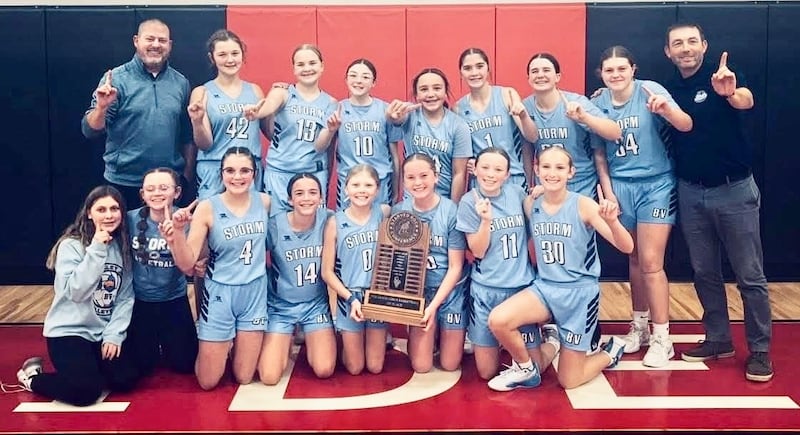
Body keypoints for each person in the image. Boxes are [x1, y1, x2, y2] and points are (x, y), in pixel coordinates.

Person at [663, 23, 773, 382]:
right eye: (678, 43)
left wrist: (730, 94)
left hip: (734, 190)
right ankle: (718, 338)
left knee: (749, 276)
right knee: (704, 272)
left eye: (692, 41)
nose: (685, 48)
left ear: (704, 45)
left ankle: (759, 350)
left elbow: (746, 99)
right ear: (668, 52)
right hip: (690, 191)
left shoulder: (725, 78)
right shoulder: (667, 89)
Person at [487, 146, 633, 391]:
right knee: (498, 320)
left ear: (571, 173)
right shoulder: (531, 205)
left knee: (569, 380)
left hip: (579, 295)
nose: (552, 173)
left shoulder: (584, 205)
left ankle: (611, 351)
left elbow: (627, 246)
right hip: (545, 289)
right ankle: (528, 367)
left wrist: (612, 221)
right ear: (536, 170)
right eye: (546, 167)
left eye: (559, 168)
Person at [591, 46, 693, 368]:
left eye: (622, 68)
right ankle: (640, 326)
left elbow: (685, 125)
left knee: (651, 262)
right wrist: (608, 194)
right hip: (621, 186)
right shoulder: (596, 103)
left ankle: (663, 336)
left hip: (656, 184)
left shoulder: (651, 91)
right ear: (602, 75)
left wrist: (665, 110)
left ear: (633, 68)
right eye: (610, 70)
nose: (616, 74)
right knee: (633, 258)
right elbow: (599, 156)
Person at [16, 186, 139, 406]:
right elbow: (76, 291)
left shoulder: (122, 246)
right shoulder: (71, 245)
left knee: (126, 380)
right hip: (69, 331)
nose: (109, 215)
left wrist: (113, 335)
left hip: (100, 332)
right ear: (89, 213)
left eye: (114, 208)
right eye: (101, 209)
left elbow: (125, 297)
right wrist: (97, 249)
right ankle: (33, 378)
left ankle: (85, 370)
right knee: (85, 393)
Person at [161, 146, 270, 390]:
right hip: (220, 292)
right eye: (230, 170)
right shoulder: (208, 207)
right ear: (221, 174)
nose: (237, 176)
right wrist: (177, 234)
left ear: (254, 174)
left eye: (244, 170)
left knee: (244, 376)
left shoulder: (264, 202)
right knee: (208, 381)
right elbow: (188, 264)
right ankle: (218, 343)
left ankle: (232, 344)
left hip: (254, 292)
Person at [455, 148, 557, 381]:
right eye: (485, 168)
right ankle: (504, 341)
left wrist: (541, 194)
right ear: (475, 170)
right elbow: (478, 251)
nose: (491, 174)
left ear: (507, 174)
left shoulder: (517, 193)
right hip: (486, 291)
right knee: (486, 372)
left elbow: (539, 223)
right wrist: (485, 221)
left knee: (537, 367)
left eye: (498, 169)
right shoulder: (469, 201)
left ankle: (553, 341)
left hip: (519, 291)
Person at [81, 19, 194, 210]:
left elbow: (187, 136)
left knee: (165, 239)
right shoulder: (116, 79)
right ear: (136, 41)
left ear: (170, 45)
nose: (156, 45)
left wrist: (186, 176)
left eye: (162, 40)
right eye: (150, 39)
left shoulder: (180, 83)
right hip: (124, 182)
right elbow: (89, 130)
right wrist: (101, 108)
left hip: (167, 184)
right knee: (124, 239)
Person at [258, 173, 336, 384]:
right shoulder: (274, 225)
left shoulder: (330, 220)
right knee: (269, 376)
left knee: (324, 369)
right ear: (290, 199)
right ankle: (285, 337)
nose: (306, 198)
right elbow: (248, 254)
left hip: (315, 306)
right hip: (281, 307)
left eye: (313, 193)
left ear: (321, 198)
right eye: (299, 193)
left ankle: (317, 333)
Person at [243, 43, 338, 213]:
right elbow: (269, 106)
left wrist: (330, 130)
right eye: (300, 64)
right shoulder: (283, 92)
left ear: (322, 66)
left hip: (311, 174)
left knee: (314, 229)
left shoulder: (331, 103)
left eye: (312, 63)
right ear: (293, 69)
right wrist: (256, 112)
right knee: (277, 227)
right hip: (280, 172)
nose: (307, 68)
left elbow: (320, 146)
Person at [394, 153, 467, 373]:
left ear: (436, 177)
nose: (418, 183)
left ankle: (444, 330)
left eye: (424, 175)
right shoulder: (399, 212)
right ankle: (427, 333)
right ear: (404, 182)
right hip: (420, 293)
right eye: (411, 177)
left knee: (449, 364)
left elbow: (456, 267)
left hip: (450, 291)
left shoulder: (451, 211)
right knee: (422, 366)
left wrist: (433, 307)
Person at [125, 168, 199, 376]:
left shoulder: (184, 220)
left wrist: (176, 235)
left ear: (176, 192)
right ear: (142, 195)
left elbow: (191, 267)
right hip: (141, 302)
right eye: (151, 189)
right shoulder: (129, 219)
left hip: (174, 300)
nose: (157, 193)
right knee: (143, 367)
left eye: (163, 188)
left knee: (185, 365)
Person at [321, 164, 391, 375]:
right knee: (355, 368)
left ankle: (368, 339)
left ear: (377, 190)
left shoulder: (384, 213)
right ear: (345, 189)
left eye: (368, 185)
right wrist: (351, 299)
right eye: (356, 184)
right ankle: (342, 338)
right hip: (350, 296)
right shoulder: (335, 221)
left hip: (377, 295)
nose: (362, 190)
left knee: (375, 367)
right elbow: (327, 272)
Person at [521, 52, 621, 198]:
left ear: (558, 77)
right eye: (535, 71)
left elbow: (615, 132)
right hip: (547, 185)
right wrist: (530, 185)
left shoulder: (575, 102)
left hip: (581, 184)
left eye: (546, 70)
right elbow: (527, 150)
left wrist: (584, 118)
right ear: (529, 78)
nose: (540, 75)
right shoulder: (526, 107)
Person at [189, 29, 268, 199]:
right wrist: (197, 122)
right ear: (212, 58)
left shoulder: (255, 91)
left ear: (242, 55)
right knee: (212, 221)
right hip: (214, 166)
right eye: (222, 54)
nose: (230, 60)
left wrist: (278, 97)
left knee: (249, 221)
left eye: (234, 53)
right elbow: (204, 144)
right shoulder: (202, 92)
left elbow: (270, 132)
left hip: (248, 167)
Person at [323, 58, 401, 209]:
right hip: (349, 183)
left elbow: (394, 156)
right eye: (353, 75)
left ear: (374, 83)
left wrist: (396, 190)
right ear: (346, 79)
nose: (359, 81)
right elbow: (330, 152)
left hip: (380, 182)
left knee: (379, 229)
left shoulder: (386, 110)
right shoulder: (337, 109)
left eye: (365, 77)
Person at [455, 48, 538, 188]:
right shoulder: (458, 108)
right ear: (461, 73)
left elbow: (533, 137)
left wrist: (523, 116)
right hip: (481, 182)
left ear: (488, 69)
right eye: (468, 68)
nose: (474, 73)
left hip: (512, 179)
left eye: (480, 66)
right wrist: (470, 161)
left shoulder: (507, 94)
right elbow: (462, 153)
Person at [387, 68, 472, 203]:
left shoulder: (458, 126)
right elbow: (395, 119)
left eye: (437, 88)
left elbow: (459, 174)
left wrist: (453, 209)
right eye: (424, 89)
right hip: (413, 201)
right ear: (416, 95)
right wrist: (392, 115)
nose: (431, 94)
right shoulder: (410, 116)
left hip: (442, 201)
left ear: (445, 93)